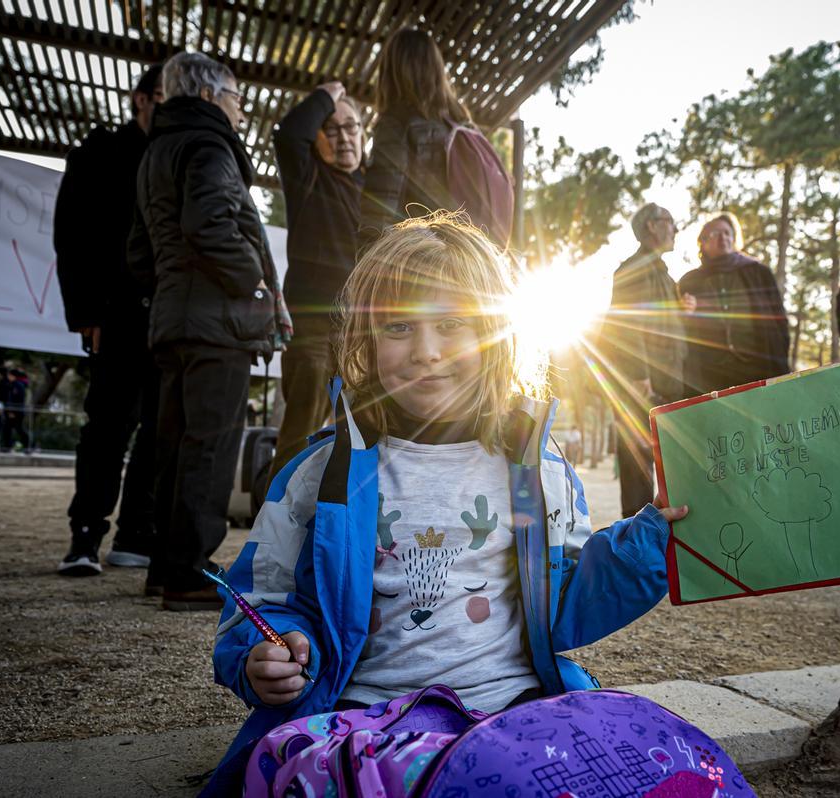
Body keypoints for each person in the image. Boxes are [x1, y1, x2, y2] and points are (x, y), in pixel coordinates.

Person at [204, 213, 688, 792]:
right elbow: (260, 597)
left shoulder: (539, 470)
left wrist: (648, 543)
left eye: (452, 324)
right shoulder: (318, 474)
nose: (426, 352)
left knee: (652, 763)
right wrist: (264, 651)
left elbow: (569, 601)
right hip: (363, 719)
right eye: (398, 327)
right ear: (365, 341)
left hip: (514, 710)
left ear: (498, 335)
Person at [128, 52, 286, 610]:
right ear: (209, 95)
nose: (240, 110)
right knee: (210, 446)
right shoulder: (210, 145)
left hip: (173, 318)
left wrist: (177, 287)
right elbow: (210, 223)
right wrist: (254, 284)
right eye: (237, 97)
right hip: (216, 322)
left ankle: (166, 565)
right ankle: (189, 572)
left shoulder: (156, 151)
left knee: (173, 444)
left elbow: (139, 251)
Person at [53, 64, 163, 577]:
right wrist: (86, 312)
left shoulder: (177, 153)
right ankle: (85, 535)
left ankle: (136, 534)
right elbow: (71, 236)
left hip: (169, 314)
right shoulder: (98, 152)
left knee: (159, 429)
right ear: (140, 98)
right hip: (114, 311)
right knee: (107, 426)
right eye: (163, 95)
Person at [268, 80, 364, 479]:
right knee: (299, 438)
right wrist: (330, 93)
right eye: (331, 129)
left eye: (351, 127)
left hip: (361, 333)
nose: (344, 138)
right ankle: (275, 514)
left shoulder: (375, 187)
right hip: (313, 331)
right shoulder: (309, 178)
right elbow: (289, 135)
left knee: (357, 439)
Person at [603, 202, 690, 517]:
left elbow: (660, 324)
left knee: (671, 475)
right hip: (641, 388)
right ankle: (636, 542)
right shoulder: (634, 268)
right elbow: (625, 326)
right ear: (652, 226)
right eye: (669, 221)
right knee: (638, 475)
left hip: (667, 386)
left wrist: (682, 308)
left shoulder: (663, 275)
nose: (675, 229)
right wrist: (639, 375)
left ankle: (664, 541)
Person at [358, 27, 465, 244]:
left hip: (417, 251)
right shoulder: (460, 124)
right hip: (462, 250)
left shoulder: (396, 122)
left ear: (391, 71)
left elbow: (381, 205)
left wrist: (366, 253)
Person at [679, 212, 790, 395]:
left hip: (758, 369)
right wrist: (684, 313)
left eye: (727, 233)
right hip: (710, 376)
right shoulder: (690, 281)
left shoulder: (758, 273)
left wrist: (780, 363)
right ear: (703, 242)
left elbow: (779, 323)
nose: (723, 237)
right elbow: (679, 327)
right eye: (715, 234)